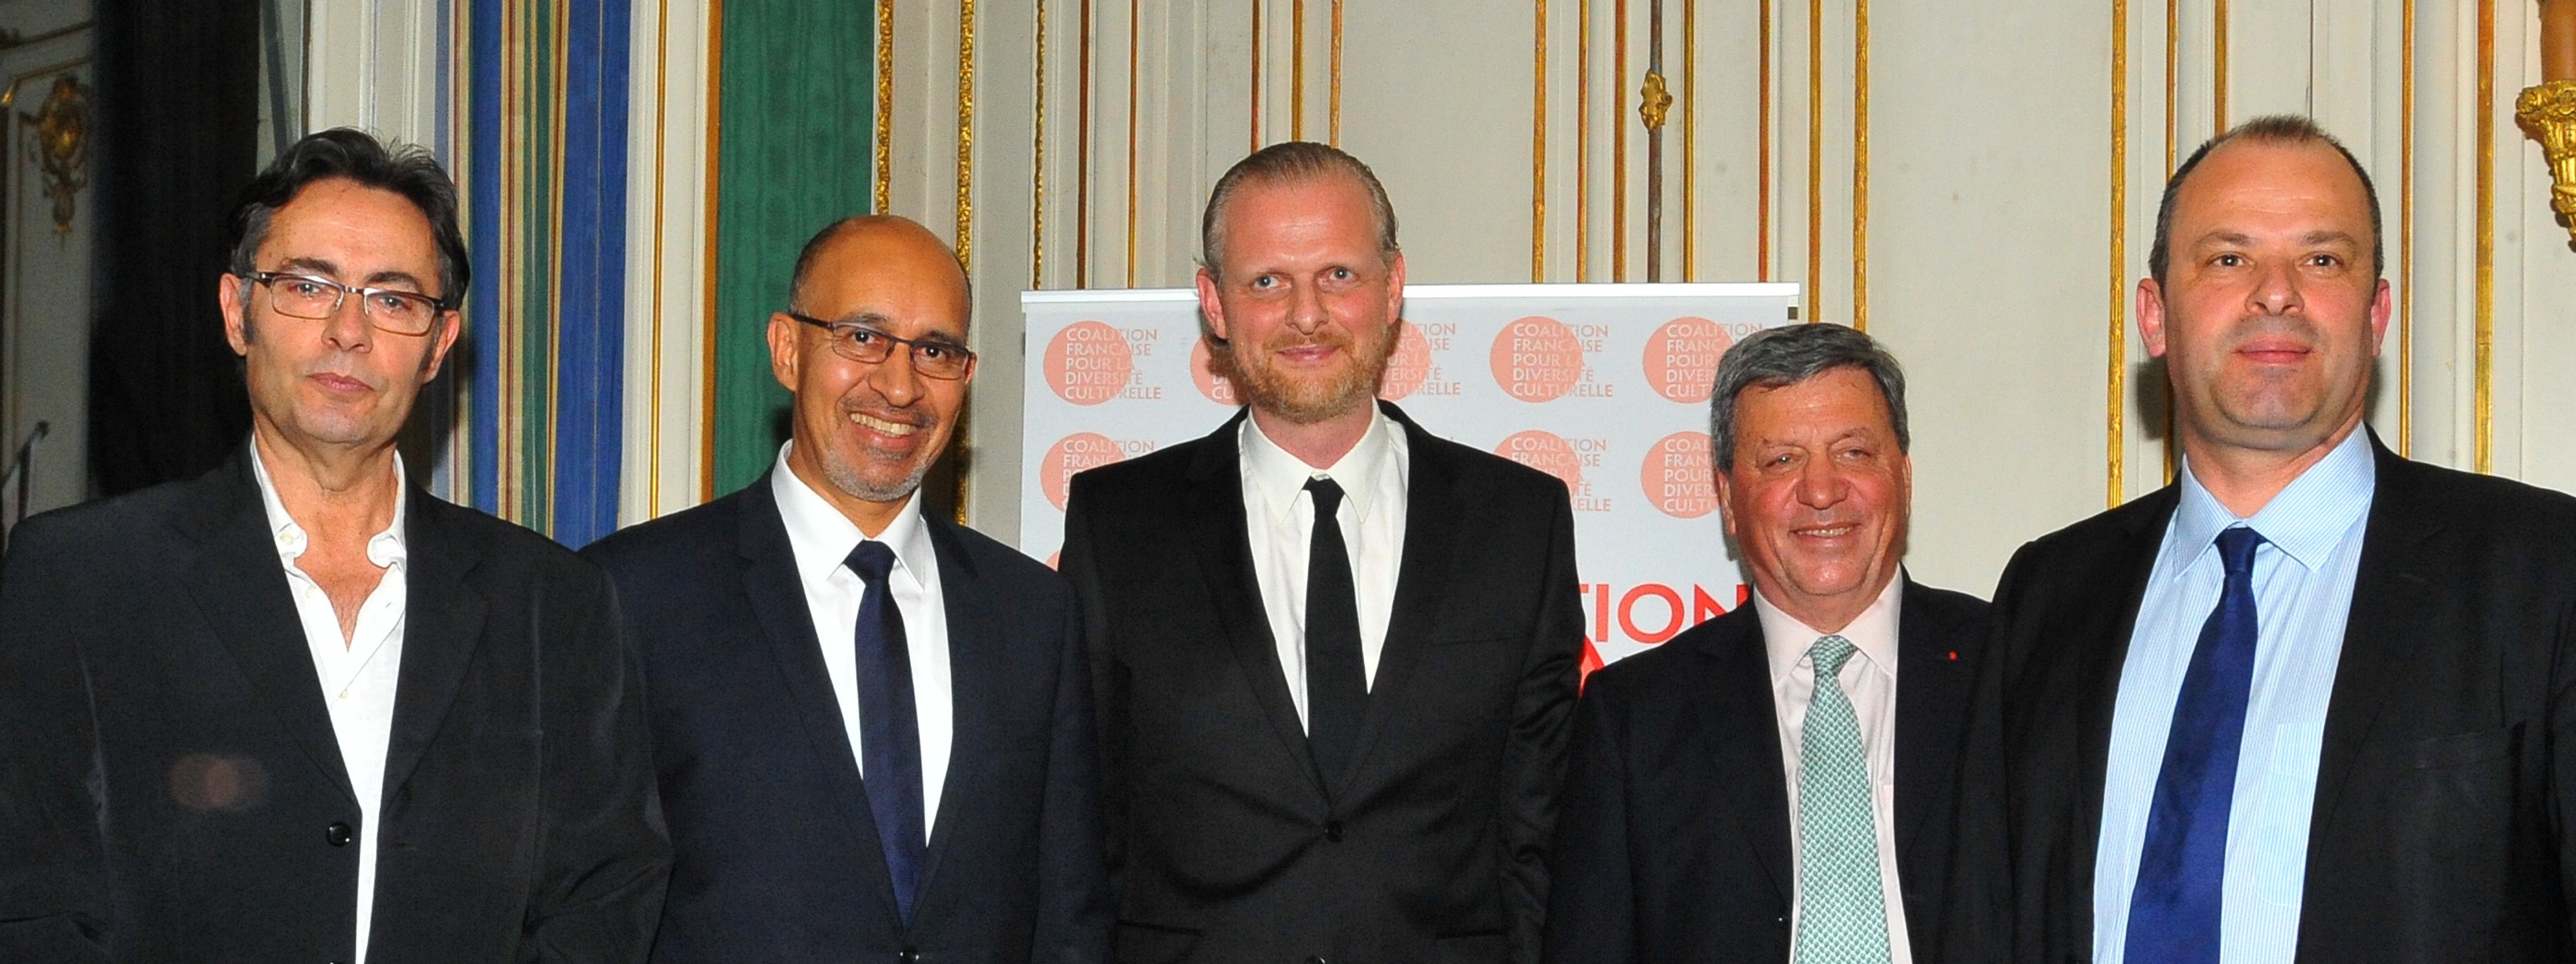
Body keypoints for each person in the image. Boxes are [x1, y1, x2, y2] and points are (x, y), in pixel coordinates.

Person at [0, 128, 668, 962]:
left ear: (439, 345)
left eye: (393, 300)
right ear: (237, 313)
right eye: (309, 286)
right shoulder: (80, 578)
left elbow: (604, 894)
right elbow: (30, 902)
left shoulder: (551, 604)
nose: (348, 331)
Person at [1945, 115, 2576, 962]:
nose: (2275, 294)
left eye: (2321, 260)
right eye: (2227, 259)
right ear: (2154, 315)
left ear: (2377, 314)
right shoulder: (2049, 594)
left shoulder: (2542, 572)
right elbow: (1985, 923)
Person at [1058, 141, 1585, 963]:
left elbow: (1537, 825)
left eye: (1337, 274)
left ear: (1392, 286)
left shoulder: (1518, 521)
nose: (1306, 315)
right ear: (1214, 304)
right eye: (1267, 281)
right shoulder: (1118, 523)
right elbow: (1083, 818)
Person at [582, 215, 1109, 962]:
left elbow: (1070, 914)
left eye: (934, 350)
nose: (899, 384)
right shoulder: (632, 595)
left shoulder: (1033, 615)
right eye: (863, 337)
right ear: (787, 349)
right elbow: (585, 903)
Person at [1540, 323, 1987, 963]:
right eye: (1781, 460)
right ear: (1727, 497)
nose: (1821, 489)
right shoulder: (1634, 715)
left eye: (1853, 452)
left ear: (1904, 477)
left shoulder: (2008, 669)